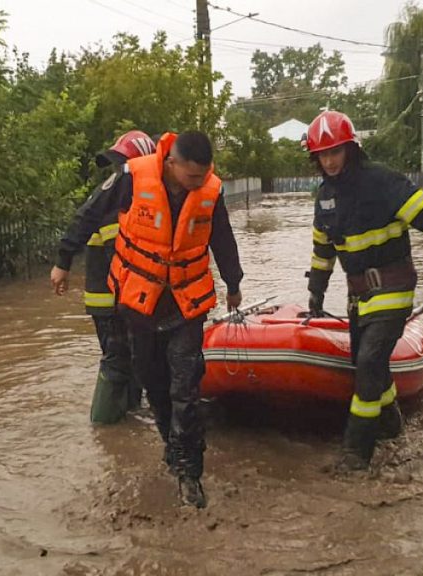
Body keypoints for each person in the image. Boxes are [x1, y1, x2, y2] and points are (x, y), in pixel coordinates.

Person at [60, 131, 244, 508]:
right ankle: (171, 448)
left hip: (186, 304)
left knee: (186, 389)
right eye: (191, 177)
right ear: (172, 163)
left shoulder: (211, 190)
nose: (197, 184)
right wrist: (63, 260)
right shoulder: (131, 177)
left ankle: (190, 476)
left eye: (203, 176)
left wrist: (234, 282)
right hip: (140, 303)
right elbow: (90, 212)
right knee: (154, 385)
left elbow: (222, 238)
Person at [304, 110, 423, 472]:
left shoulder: (383, 183)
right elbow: (322, 251)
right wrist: (315, 294)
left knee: (371, 361)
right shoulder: (325, 198)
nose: (329, 161)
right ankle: (390, 423)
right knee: (365, 365)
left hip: (393, 287)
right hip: (358, 296)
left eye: (335, 152)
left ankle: (356, 453)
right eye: (322, 155)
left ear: (351, 149)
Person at [51, 130, 156, 424]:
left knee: (132, 358)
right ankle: (104, 426)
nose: (118, 170)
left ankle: (129, 415)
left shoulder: (129, 202)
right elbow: (83, 222)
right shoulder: (115, 199)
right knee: (118, 358)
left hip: (120, 297)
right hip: (111, 298)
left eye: (122, 163)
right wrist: (63, 261)